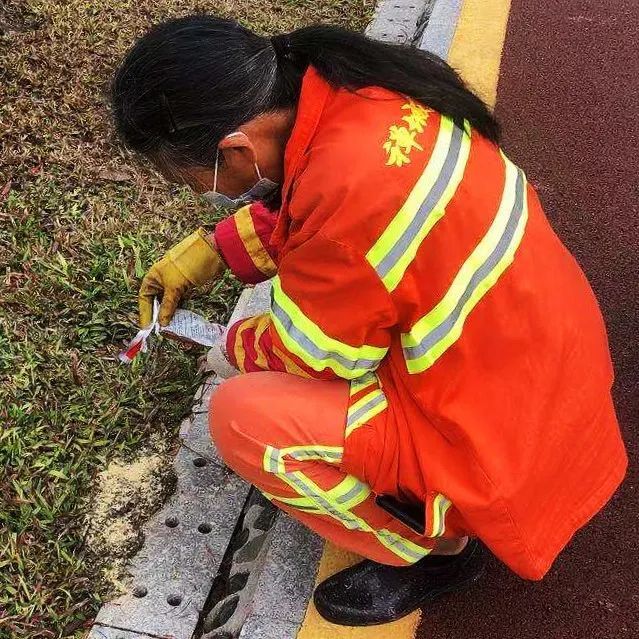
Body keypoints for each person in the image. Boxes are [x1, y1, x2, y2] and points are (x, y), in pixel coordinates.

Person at [111, 15, 627, 626]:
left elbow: (315, 353)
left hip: (495, 434)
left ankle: (437, 547)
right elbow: (327, 213)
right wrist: (218, 248)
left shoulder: (343, 193)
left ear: (235, 150)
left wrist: (230, 343)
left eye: (186, 176)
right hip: (548, 357)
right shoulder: (355, 87)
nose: (199, 189)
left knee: (243, 419)